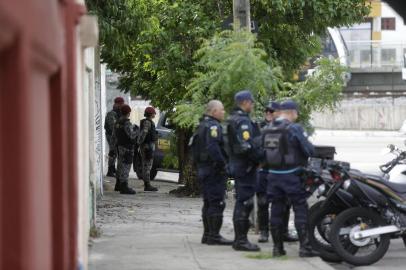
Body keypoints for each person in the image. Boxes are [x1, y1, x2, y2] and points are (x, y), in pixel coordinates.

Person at [266, 100, 319, 257]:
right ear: (291, 112)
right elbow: (309, 150)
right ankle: (305, 248)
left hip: (273, 176)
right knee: (300, 209)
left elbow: (261, 152)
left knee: (276, 210)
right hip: (292, 175)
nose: (297, 115)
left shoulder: (269, 128)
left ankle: (277, 248)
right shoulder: (294, 128)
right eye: (296, 112)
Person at [227, 90, 264, 252]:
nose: (253, 105)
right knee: (245, 202)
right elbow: (245, 146)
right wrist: (261, 158)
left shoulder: (234, 118)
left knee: (243, 201)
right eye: (251, 102)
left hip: (241, 166)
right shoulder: (242, 121)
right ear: (245, 102)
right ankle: (241, 240)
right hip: (245, 167)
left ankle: (239, 239)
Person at [193, 100, 233, 246]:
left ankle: (207, 235)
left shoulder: (202, 125)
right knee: (217, 203)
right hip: (213, 170)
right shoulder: (213, 126)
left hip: (204, 168)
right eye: (221, 110)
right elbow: (213, 147)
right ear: (214, 111)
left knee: (208, 202)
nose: (223, 112)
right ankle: (214, 236)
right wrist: (223, 164)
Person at [256, 101, 281, 243]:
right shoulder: (259, 127)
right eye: (267, 111)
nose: (268, 114)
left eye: (272, 111)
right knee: (263, 202)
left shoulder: (284, 127)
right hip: (264, 170)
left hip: (279, 172)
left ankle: (280, 232)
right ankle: (264, 232)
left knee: (281, 203)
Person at [114, 104, 138, 194]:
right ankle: (124, 186)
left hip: (119, 146)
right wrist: (136, 130)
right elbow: (131, 135)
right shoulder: (126, 123)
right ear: (128, 113)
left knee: (120, 165)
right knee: (126, 166)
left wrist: (112, 149)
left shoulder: (117, 122)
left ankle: (118, 184)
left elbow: (114, 136)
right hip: (127, 147)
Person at [138, 107, 159, 192]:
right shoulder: (147, 122)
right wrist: (140, 143)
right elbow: (144, 133)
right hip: (147, 146)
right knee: (147, 165)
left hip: (148, 145)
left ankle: (147, 183)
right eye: (154, 113)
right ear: (150, 114)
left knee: (147, 165)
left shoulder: (148, 122)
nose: (155, 114)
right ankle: (147, 185)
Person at [104, 97, 125, 177]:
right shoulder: (112, 114)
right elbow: (113, 127)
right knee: (113, 152)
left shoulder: (118, 113)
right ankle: (110, 170)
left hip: (116, 136)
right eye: (121, 104)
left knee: (115, 152)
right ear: (117, 104)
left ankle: (112, 168)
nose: (122, 105)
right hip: (112, 136)